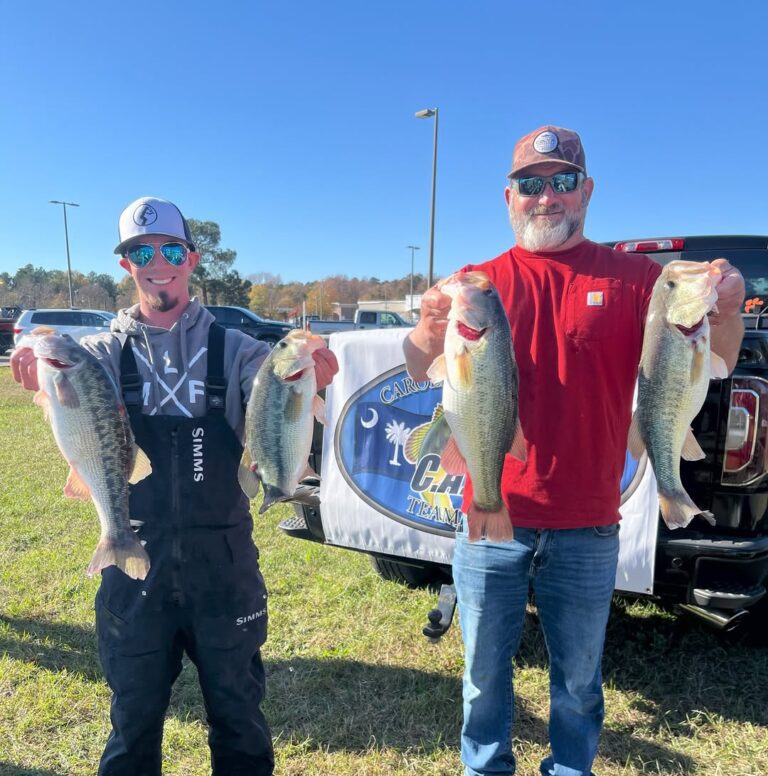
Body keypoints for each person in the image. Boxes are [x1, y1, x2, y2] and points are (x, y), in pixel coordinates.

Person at [403, 126, 745, 776]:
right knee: (481, 675)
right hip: (488, 520)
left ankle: (569, 770)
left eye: (562, 182)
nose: (546, 197)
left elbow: (720, 356)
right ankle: (485, 769)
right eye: (531, 184)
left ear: (586, 191)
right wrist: (425, 327)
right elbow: (420, 364)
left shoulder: (640, 281)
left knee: (580, 684)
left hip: (588, 522)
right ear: (509, 197)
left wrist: (722, 305)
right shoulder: (480, 282)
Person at [11, 196, 339, 776]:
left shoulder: (239, 350)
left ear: (191, 258)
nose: (155, 261)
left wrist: (309, 374)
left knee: (239, 721)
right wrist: (38, 367)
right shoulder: (102, 353)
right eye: (140, 251)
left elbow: (275, 401)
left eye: (169, 249)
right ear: (126, 266)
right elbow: (68, 385)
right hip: (136, 562)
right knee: (132, 724)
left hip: (224, 566)